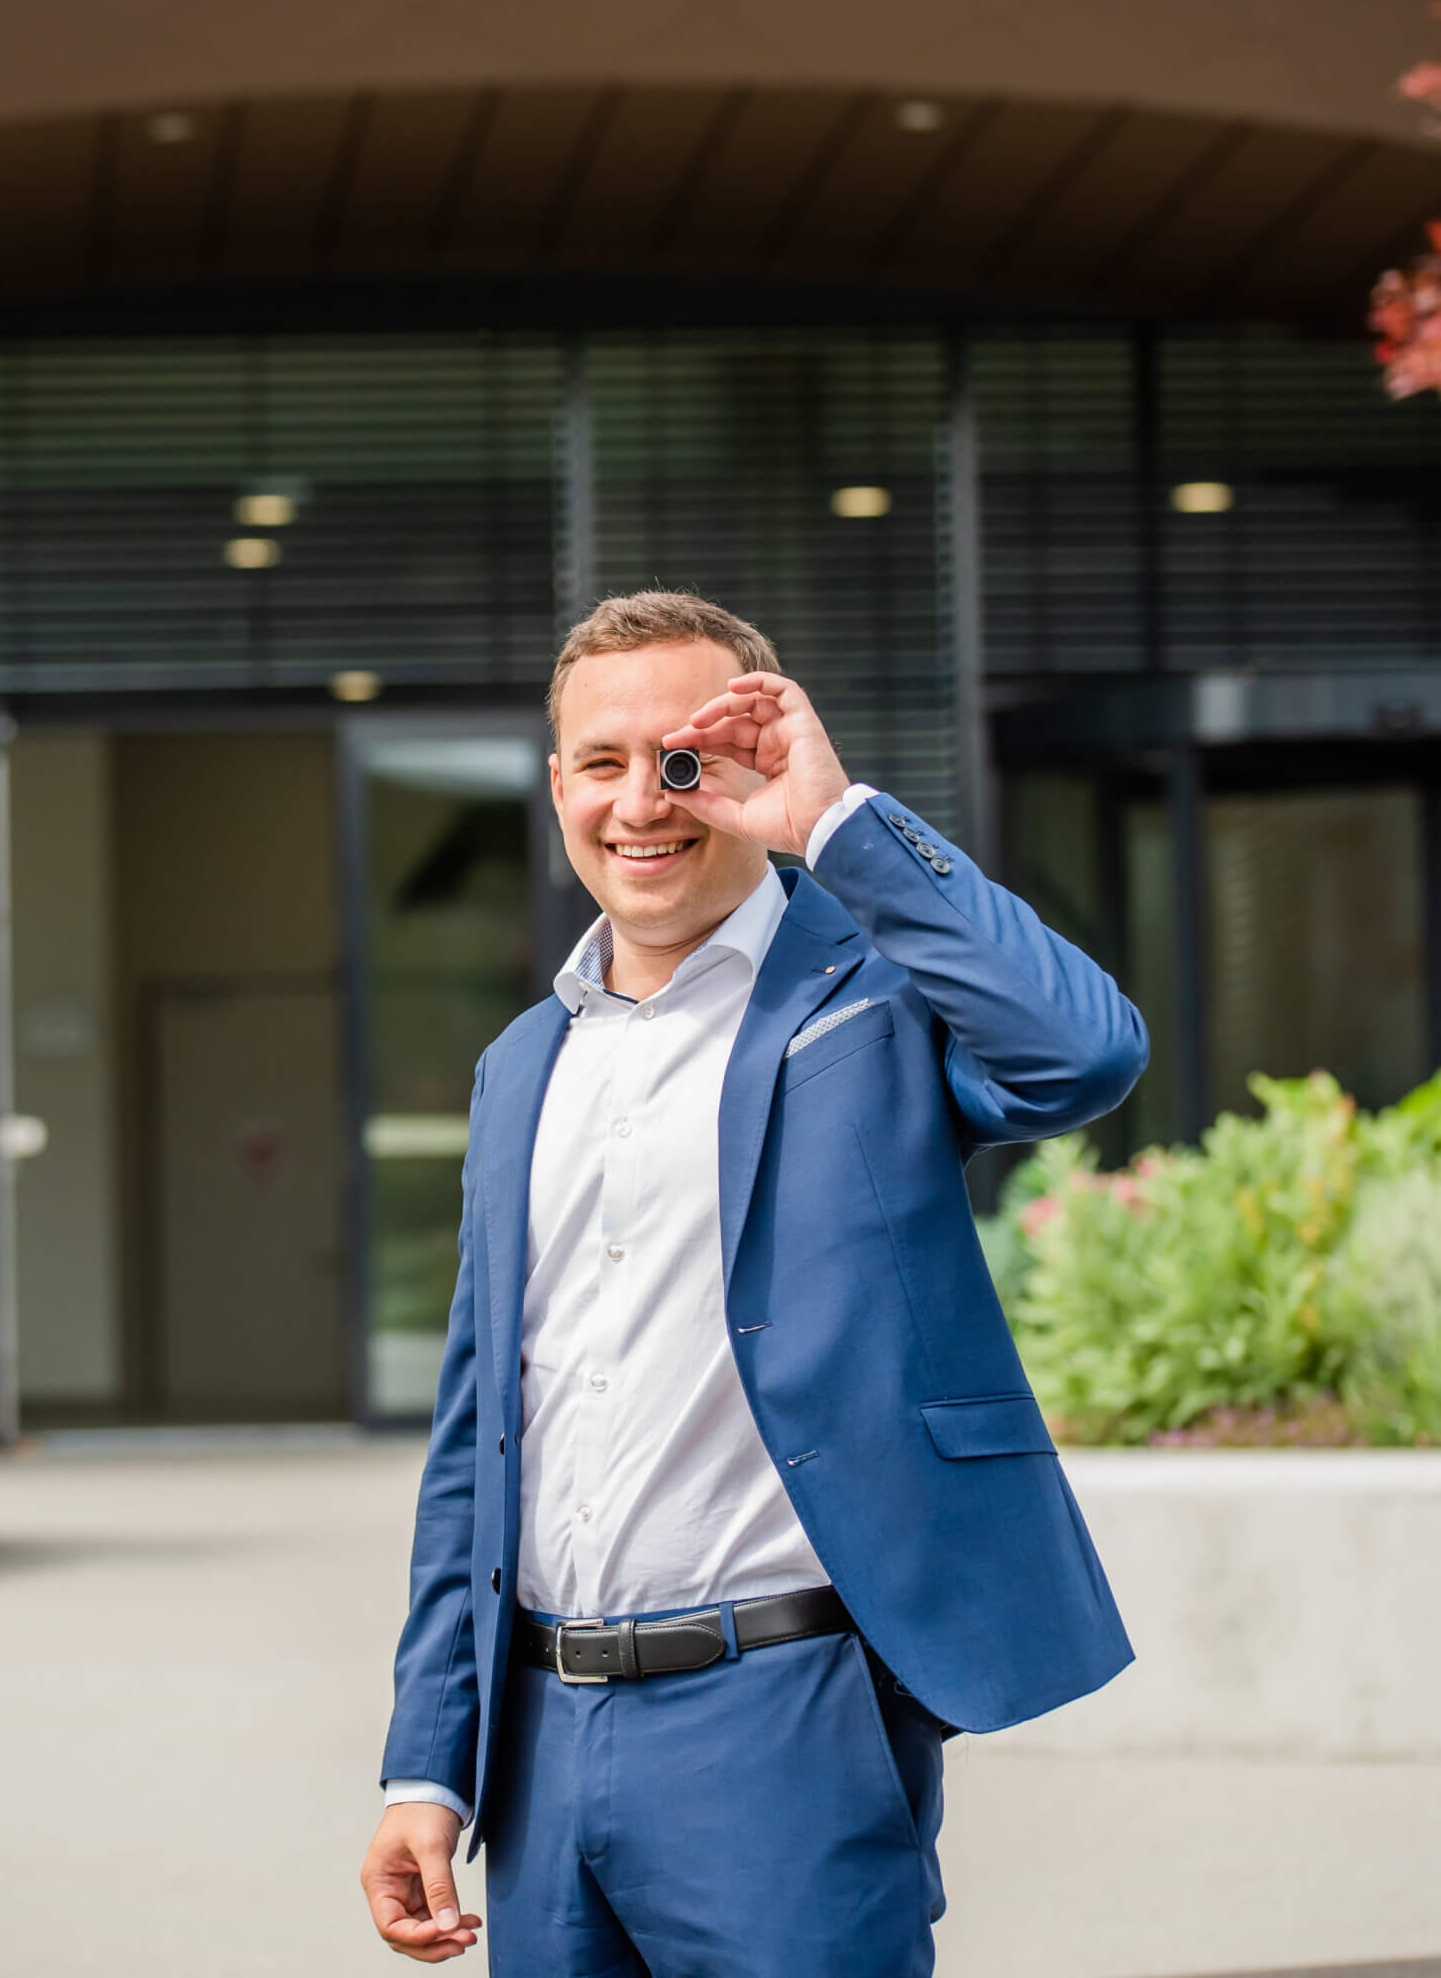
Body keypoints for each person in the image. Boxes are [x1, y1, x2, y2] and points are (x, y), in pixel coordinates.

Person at [360, 590, 1146, 1975]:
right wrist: (428, 1765)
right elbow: (477, 1435)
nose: (639, 803)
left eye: (683, 761)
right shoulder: (521, 1065)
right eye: (601, 763)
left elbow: (1081, 1054)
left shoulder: (872, 1001)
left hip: (782, 1720)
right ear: (557, 784)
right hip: (540, 1743)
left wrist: (836, 825)